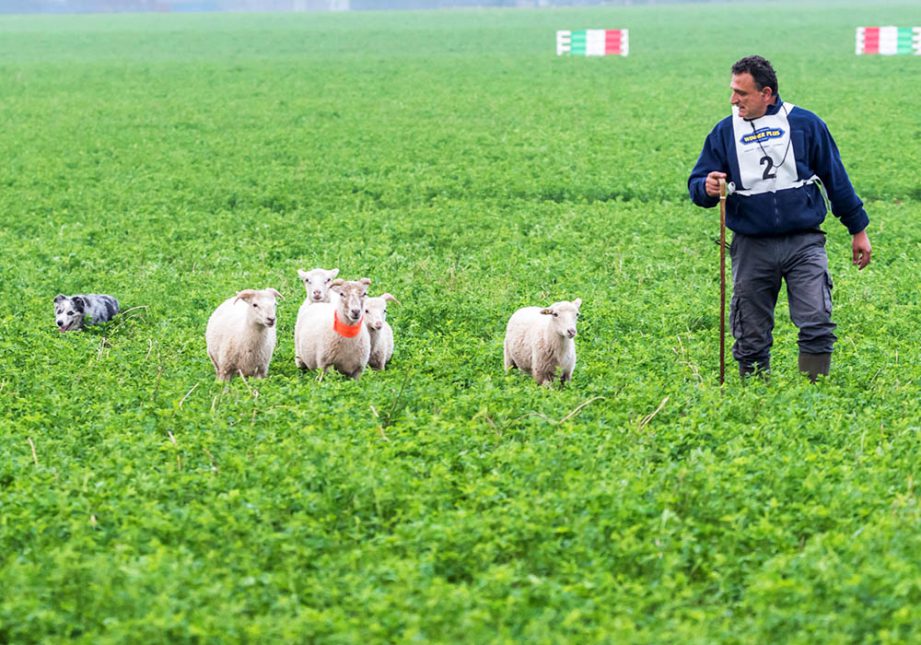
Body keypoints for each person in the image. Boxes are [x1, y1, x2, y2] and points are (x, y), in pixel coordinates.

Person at [688, 55, 871, 382]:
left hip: (804, 242)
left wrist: (858, 229)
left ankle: (815, 400)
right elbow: (698, 185)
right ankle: (755, 403)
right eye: (733, 91)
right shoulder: (724, 132)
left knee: (817, 321)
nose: (733, 100)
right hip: (751, 246)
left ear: (767, 93)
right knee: (750, 334)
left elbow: (836, 178)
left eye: (742, 93)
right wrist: (707, 186)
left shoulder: (805, 124)